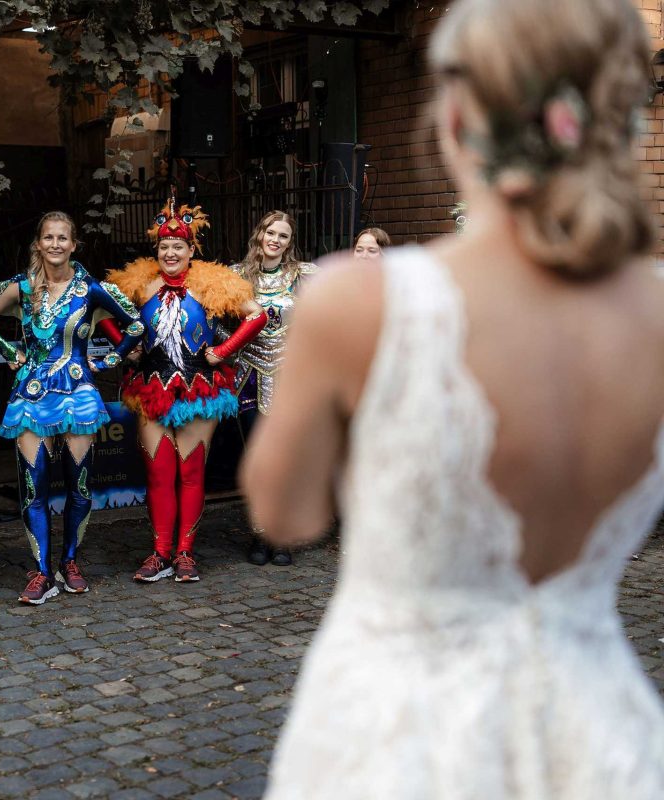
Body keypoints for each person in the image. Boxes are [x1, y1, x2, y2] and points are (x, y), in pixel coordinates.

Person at [242, 0, 664, 795]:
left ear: (458, 111)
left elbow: (285, 515)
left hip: (399, 734)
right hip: (599, 736)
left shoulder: (360, 303)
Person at [0, 211, 144, 605]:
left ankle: (69, 561)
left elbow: (135, 325)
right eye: (48, 237)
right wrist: (9, 349)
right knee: (34, 488)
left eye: (62, 238)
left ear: (73, 244)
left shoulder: (91, 290)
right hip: (31, 397)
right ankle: (41, 573)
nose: (55, 244)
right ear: (38, 243)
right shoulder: (23, 287)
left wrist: (107, 361)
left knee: (78, 486)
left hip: (78, 396)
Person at [101, 196, 267, 583]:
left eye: (179, 246)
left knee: (191, 473)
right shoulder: (138, 284)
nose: (171, 252)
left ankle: (186, 554)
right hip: (150, 389)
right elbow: (103, 314)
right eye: (164, 246)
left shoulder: (211, 283)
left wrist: (223, 351)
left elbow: (256, 314)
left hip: (199, 389)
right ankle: (159, 553)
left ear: (192, 249)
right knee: (159, 473)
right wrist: (126, 347)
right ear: (156, 250)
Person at [227, 211, 317, 567]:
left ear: (289, 242)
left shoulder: (304, 276)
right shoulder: (235, 277)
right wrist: (224, 351)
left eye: (282, 235)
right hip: (248, 377)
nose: (275, 239)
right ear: (259, 234)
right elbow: (215, 322)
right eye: (270, 232)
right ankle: (260, 532)